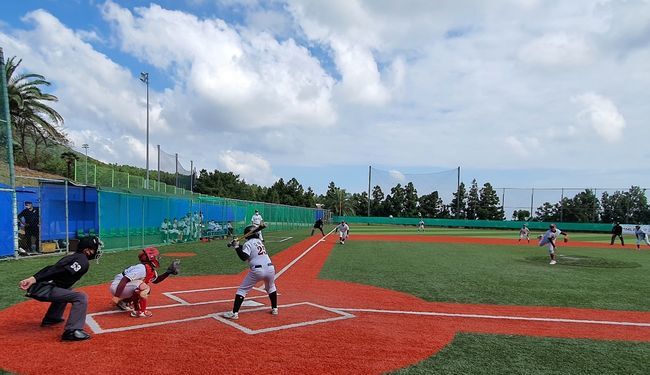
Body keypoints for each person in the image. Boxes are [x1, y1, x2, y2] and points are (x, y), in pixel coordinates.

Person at [18, 236, 101, 341]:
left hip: (44, 286)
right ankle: (72, 331)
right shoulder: (82, 260)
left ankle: (52, 318)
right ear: (87, 250)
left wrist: (34, 278)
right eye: (94, 249)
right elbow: (57, 270)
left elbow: (52, 268)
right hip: (44, 287)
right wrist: (34, 279)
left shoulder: (77, 256)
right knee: (81, 297)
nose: (96, 251)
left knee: (67, 290)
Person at [223, 225, 278, 320]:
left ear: (247, 235)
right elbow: (246, 249)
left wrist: (236, 247)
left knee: (242, 290)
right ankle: (275, 309)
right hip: (270, 269)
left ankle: (234, 313)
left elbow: (244, 257)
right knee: (271, 287)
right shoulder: (259, 242)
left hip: (257, 270)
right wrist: (236, 245)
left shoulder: (248, 243)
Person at [109, 247, 180, 318]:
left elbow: (156, 280)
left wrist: (167, 273)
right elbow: (125, 279)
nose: (158, 258)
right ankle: (139, 312)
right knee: (144, 288)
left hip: (123, 286)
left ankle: (124, 302)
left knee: (143, 288)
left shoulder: (149, 269)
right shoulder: (141, 268)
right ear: (151, 258)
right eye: (156, 257)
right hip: (117, 286)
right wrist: (116, 297)